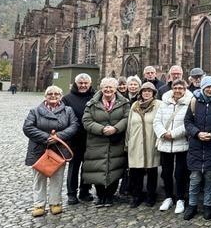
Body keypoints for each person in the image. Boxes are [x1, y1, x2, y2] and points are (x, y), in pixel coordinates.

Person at [23, 85, 79, 217]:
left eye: (56, 94)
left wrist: (58, 137)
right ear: (45, 96)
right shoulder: (35, 111)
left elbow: (74, 125)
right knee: (39, 178)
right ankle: (39, 205)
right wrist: (46, 138)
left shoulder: (68, 110)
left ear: (61, 96)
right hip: (39, 149)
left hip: (59, 149)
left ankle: (55, 203)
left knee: (57, 177)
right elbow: (27, 127)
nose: (53, 96)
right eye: (50, 94)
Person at [82, 77, 131, 207]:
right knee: (97, 168)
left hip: (116, 141)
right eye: (106, 87)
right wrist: (102, 129)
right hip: (97, 141)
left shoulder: (124, 103)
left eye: (111, 87)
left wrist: (116, 128)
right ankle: (100, 196)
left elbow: (127, 118)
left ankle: (109, 196)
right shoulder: (92, 104)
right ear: (101, 88)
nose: (108, 90)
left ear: (115, 89)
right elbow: (86, 121)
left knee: (114, 169)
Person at [183, 76, 211, 221]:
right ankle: (192, 206)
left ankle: (208, 206)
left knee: (209, 178)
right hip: (196, 146)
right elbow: (187, 121)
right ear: (203, 88)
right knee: (194, 178)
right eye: (208, 87)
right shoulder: (194, 102)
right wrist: (197, 133)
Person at [154, 79, 193, 214]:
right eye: (175, 88)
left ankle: (181, 198)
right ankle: (169, 197)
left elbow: (189, 123)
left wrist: (173, 134)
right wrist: (163, 133)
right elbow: (157, 121)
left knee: (180, 173)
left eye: (180, 88)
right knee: (166, 172)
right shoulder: (164, 102)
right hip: (165, 142)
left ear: (185, 89)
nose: (177, 90)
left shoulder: (190, 103)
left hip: (181, 142)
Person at [126, 82, 162, 208]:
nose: (146, 93)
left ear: (153, 93)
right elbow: (129, 125)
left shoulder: (158, 105)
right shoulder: (135, 105)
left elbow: (161, 123)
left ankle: (151, 195)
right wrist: (127, 142)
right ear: (140, 92)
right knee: (136, 170)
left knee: (152, 170)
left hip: (151, 142)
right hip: (136, 142)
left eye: (149, 91)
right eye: (144, 91)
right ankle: (137, 196)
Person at [62, 73, 95, 205]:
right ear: (76, 84)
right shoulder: (67, 99)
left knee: (88, 167)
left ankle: (85, 191)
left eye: (85, 83)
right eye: (80, 83)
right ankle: (71, 194)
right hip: (74, 139)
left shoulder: (95, 97)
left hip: (91, 138)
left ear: (90, 84)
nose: (83, 85)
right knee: (74, 167)